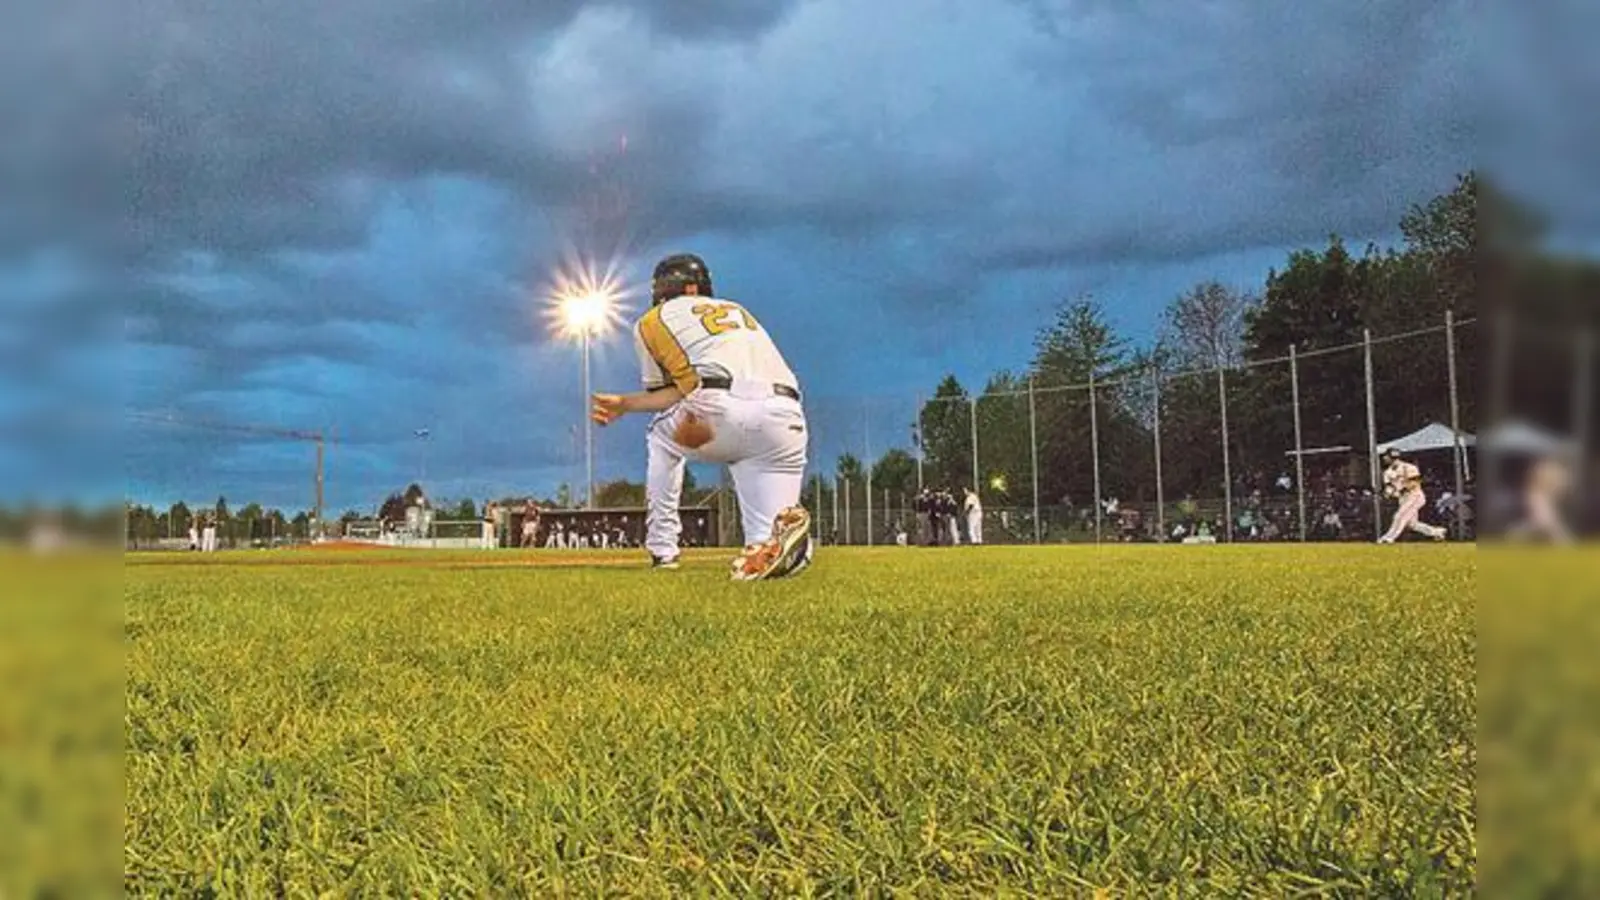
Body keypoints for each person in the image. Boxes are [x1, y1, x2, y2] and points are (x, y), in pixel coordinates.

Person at [590, 253, 812, 580]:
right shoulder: (737, 309)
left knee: (661, 439)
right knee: (766, 546)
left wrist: (625, 403)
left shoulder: (653, 320)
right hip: (785, 419)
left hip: (717, 412)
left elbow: (677, 393)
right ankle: (783, 547)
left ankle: (663, 549)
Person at [1378, 448, 1446, 543]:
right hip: (1403, 498)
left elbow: (1414, 483)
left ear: (1391, 457)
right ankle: (1436, 532)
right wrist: (1388, 493)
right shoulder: (1387, 472)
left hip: (1414, 496)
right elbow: (1389, 487)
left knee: (1399, 516)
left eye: (1386, 456)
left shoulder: (1409, 467)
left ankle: (1389, 538)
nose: (1385, 458)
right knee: (1411, 524)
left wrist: (1399, 489)